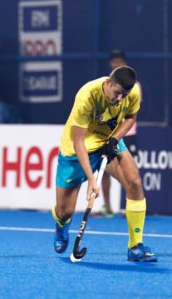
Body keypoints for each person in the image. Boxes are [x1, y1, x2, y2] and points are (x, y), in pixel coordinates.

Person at [52, 65, 157, 262]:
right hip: (76, 151)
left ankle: (135, 246)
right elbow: (78, 142)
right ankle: (61, 225)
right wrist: (92, 181)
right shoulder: (87, 96)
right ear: (108, 83)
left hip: (108, 141)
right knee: (64, 210)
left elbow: (131, 117)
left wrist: (115, 139)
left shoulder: (131, 91)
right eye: (117, 93)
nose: (120, 99)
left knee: (134, 182)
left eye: (123, 95)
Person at [97, 50, 142, 217]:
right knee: (104, 170)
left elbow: (130, 113)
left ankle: (132, 201)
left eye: (120, 62)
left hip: (126, 135)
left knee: (126, 172)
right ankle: (107, 206)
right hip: (107, 134)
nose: (116, 64)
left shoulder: (133, 87)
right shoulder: (108, 86)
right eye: (114, 62)